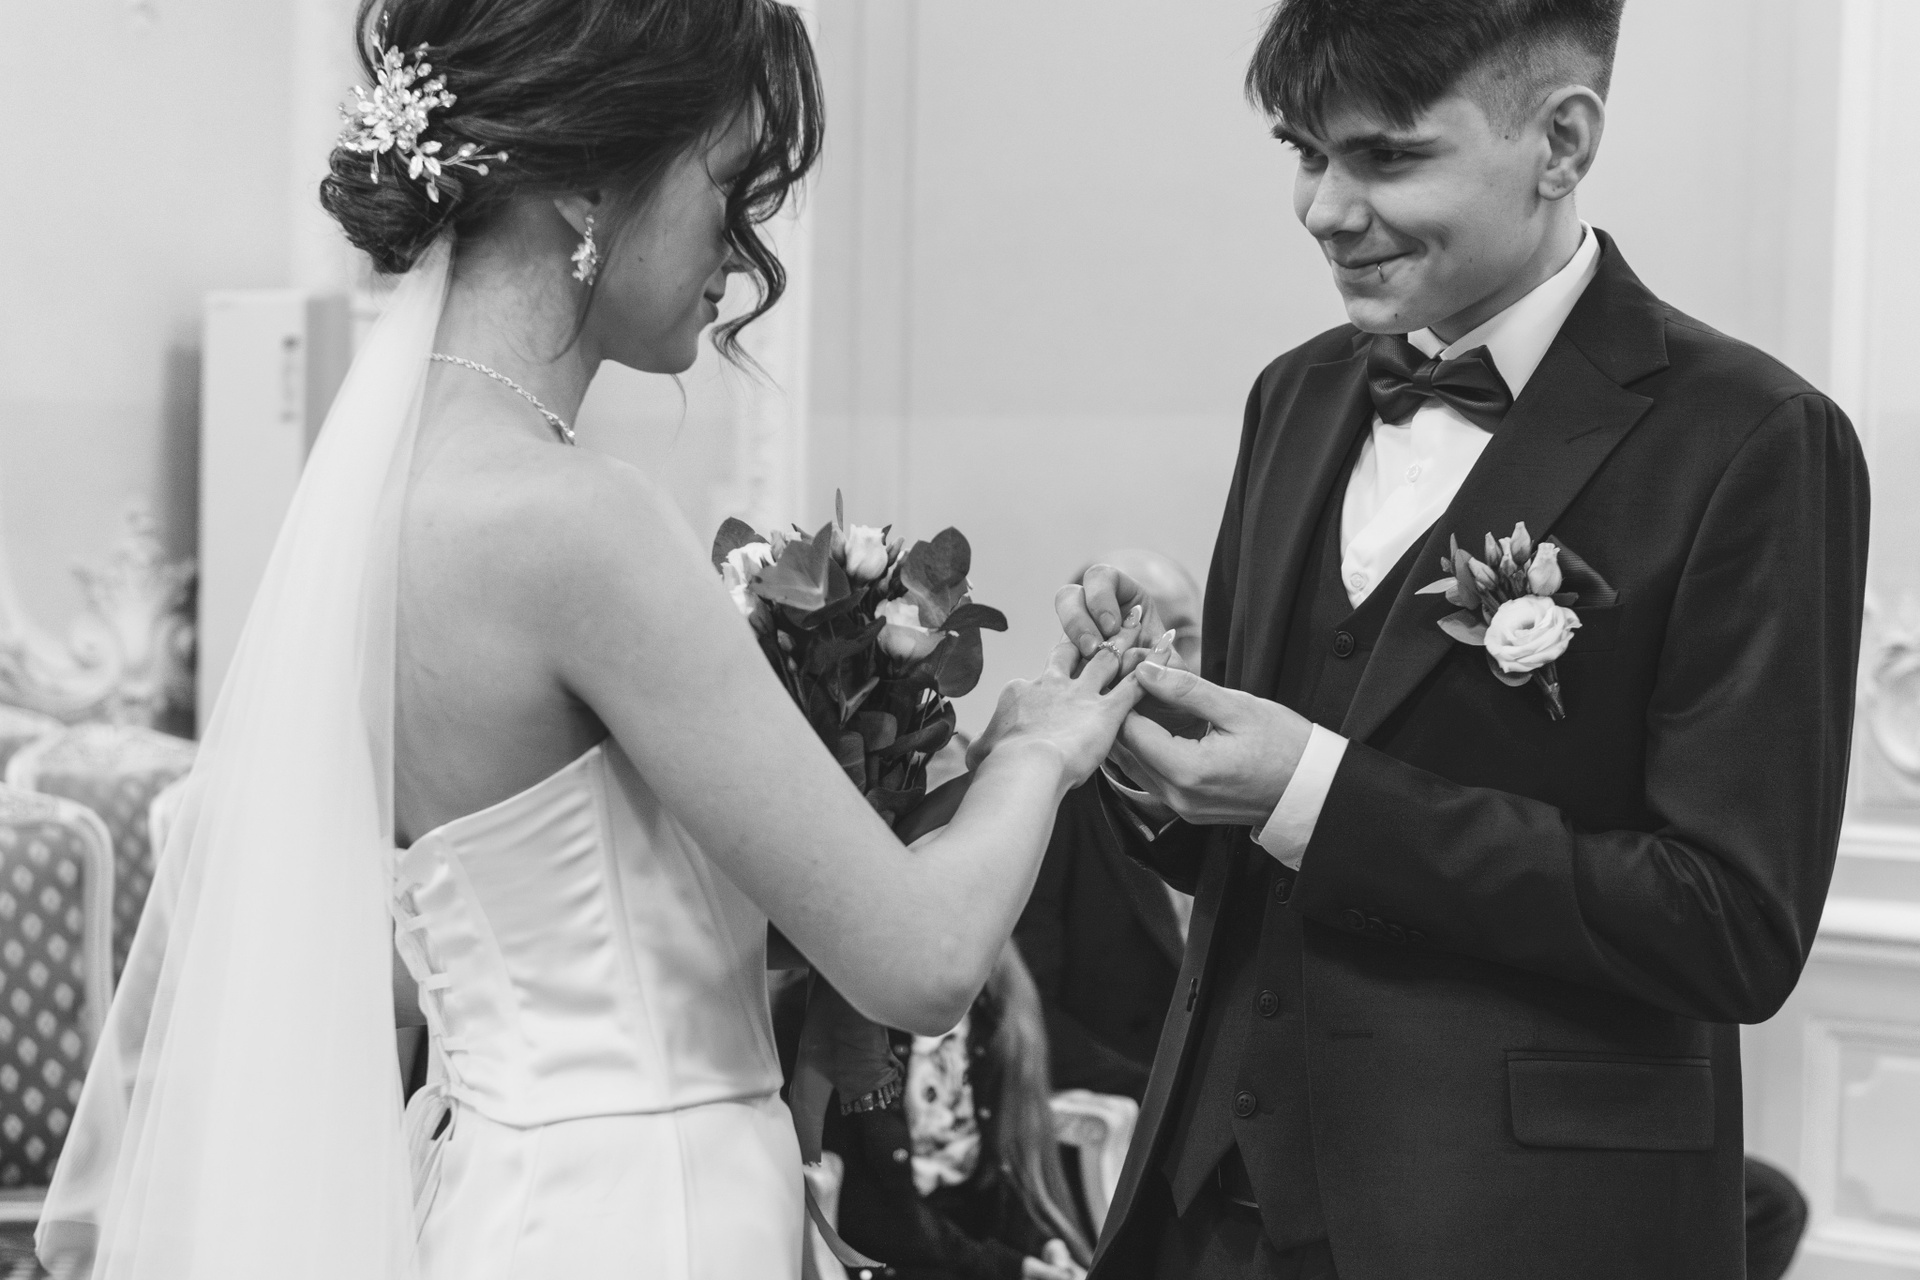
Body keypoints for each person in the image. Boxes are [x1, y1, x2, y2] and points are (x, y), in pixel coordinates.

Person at [37, 2, 1144, 1278]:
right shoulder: (575, 522)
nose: (744, 252)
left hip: (494, 1181)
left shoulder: (379, 500)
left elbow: (456, 942)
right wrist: (1037, 750)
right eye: (729, 186)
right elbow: (925, 960)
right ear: (587, 182)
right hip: (642, 1209)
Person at [1056, 2, 1870, 1278]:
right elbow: (1252, 842)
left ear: (1562, 141)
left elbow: (1729, 924)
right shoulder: (1297, 392)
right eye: (1304, 153)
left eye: (1385, 157)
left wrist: (1313, 790)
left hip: (1524, 1229)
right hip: (1204, 1207)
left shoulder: (1753, 438)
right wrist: (1144, 738)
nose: (1325, 210)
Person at [1015, 553, 1201, 1103]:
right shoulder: (1053, 796)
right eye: (1132, 637)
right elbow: (1027, 1010)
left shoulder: (1245, 783)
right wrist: (1165, 1104)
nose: (1160, 660)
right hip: (1123, 1108)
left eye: (1181, 636)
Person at [810, 943, 1092, 1280]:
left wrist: (1043, 1245)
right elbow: (874, 1217)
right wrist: (1010, 1267)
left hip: (972, 1248)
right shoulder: (843, 1024)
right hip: (899, 1258)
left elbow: (999, 1169)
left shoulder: (990, 1010)